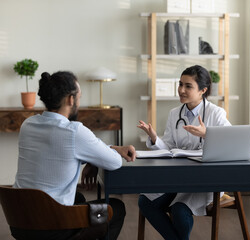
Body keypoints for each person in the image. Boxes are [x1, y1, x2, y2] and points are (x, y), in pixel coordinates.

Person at [12, 71, 136, 240]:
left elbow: (60, 152)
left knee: (78, 198)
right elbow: (114, 162)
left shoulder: (28, 124)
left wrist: (103, 152)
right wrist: (109, 152)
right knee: (116, 208)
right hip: (53, 226)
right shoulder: (74, 131)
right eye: (79, 96)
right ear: (71, 99)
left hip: (20, 222)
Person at [137, 65, 231, 240]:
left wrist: (207, 134)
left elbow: (231, 144)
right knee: (145, 201)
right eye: (180, 84)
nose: (181, 90)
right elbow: (169, 149)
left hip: (206, 179)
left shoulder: (216, 113)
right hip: (179, 176)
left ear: (203, 90)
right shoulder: (174, 114)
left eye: (188, 86)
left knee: (179, 210)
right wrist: (155, 139)